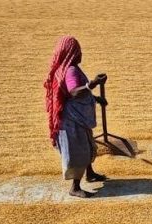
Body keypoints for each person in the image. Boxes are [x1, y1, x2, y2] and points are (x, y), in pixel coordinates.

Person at [44, 36, 108, 198]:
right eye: (78, 51)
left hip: (77, 118)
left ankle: (90, 173)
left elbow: (72, 93)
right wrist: (92, 84)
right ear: (71, 53)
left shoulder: (68, 69)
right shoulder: (71, 70)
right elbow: (74, 92)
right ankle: (75, 187)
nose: (80, 54)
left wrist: (95, 98)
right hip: (72, 121)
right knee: (78, 150)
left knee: (87, 145)